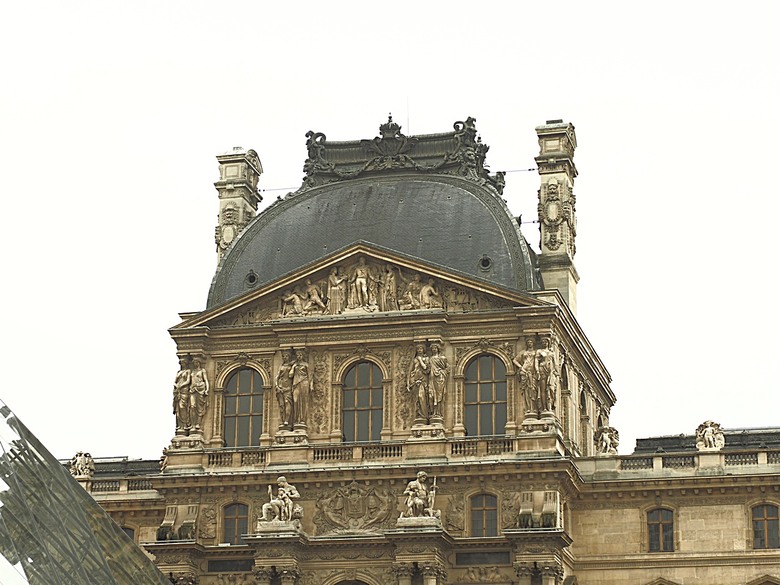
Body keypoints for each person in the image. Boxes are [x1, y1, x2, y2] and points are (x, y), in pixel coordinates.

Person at [513, 338, 539, 414]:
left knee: (533, 390)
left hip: (533, 372)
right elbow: (515, 360)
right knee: (526, 391)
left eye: (531, 342)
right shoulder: (523, 352)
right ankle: (528, 408)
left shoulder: (536, 352)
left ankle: (533, 408)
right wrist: (520, 367)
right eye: (528, 342)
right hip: (524, 371)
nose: (530, 343)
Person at [407, 344, 431, 422]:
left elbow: (425, 367)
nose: (419, 350)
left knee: (422, 397)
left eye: (421, 349)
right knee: (417, 399)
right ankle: (419, 415)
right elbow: (410, 371)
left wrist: (420, 360)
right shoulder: (414, 360)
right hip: (415, 381)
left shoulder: (426, 358)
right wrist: (409, 382)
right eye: (418, 349)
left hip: (423, 380)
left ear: (423, 350)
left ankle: (424, 416)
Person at [536, 338, 559, 412]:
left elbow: (555, 363)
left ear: (548, 343)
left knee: (551, 389)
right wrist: (537, 370)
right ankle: (544, 407)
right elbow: (536, 361)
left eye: (546, 341)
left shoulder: (552, 353)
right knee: (542, 389)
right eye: (543, 342)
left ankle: (550, 406)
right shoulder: (539, 351)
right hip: (542, 369)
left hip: (550, 372)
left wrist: (557, 372)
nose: (544, 343)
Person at [290, 350, 311, 427]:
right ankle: (296, 420)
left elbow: (310, 375)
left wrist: (311, 385)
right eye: (297, 355)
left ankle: (302, 420)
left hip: (304, 382)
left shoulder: (306, 365)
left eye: (300, 355)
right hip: (295, 383)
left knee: (303, 401)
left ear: (303, 356)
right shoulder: (295, 365)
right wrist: (293, 366)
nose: (299, 356)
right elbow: (290, 375)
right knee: (295, 401)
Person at [428, 343, 449, 419]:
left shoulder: (442, 358)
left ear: (438, 349)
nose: (434, 349)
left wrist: (441, 372)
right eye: (432, 348)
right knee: (431, 396)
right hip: (432, 379)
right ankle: (433, 412)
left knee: (439, 395)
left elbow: (447, 369)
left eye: (435, 348)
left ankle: (438, 412)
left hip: (440, 378)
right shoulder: (430, 359)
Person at [189, 357, 210, 431]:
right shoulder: (192, 371)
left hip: (200, 389)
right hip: (192, 390)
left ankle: (198, 424)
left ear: (199, 363)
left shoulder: (202, 371)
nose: (195, 364)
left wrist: (207, 389)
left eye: (196, 362)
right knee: (192, 406)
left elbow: (206, 380)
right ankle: (193, 424)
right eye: (194, 362)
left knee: (199, 408)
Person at [275, 350, 294, 428]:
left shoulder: (291, 366)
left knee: (287, 403)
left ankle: (287, 420)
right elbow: (277, 377)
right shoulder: (281, 367)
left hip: (288, 388)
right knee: (282, 406)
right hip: (281, 388)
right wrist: (277, 386)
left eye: (286, 356)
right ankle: (283, 420)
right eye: (284, 356)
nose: (285, 357)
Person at [173, 356, 192, 431]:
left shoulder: (188, 371)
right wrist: (175, 385)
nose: (182, 364)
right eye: (181, 363)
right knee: (178, 409)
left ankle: (185, 424)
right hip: (178, 391)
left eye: (183, 363)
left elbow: (188, 381)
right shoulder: (179, 372)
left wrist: (181, 385)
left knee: (183, 407)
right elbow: (175, 381)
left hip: (184, 390)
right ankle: (180, 426)